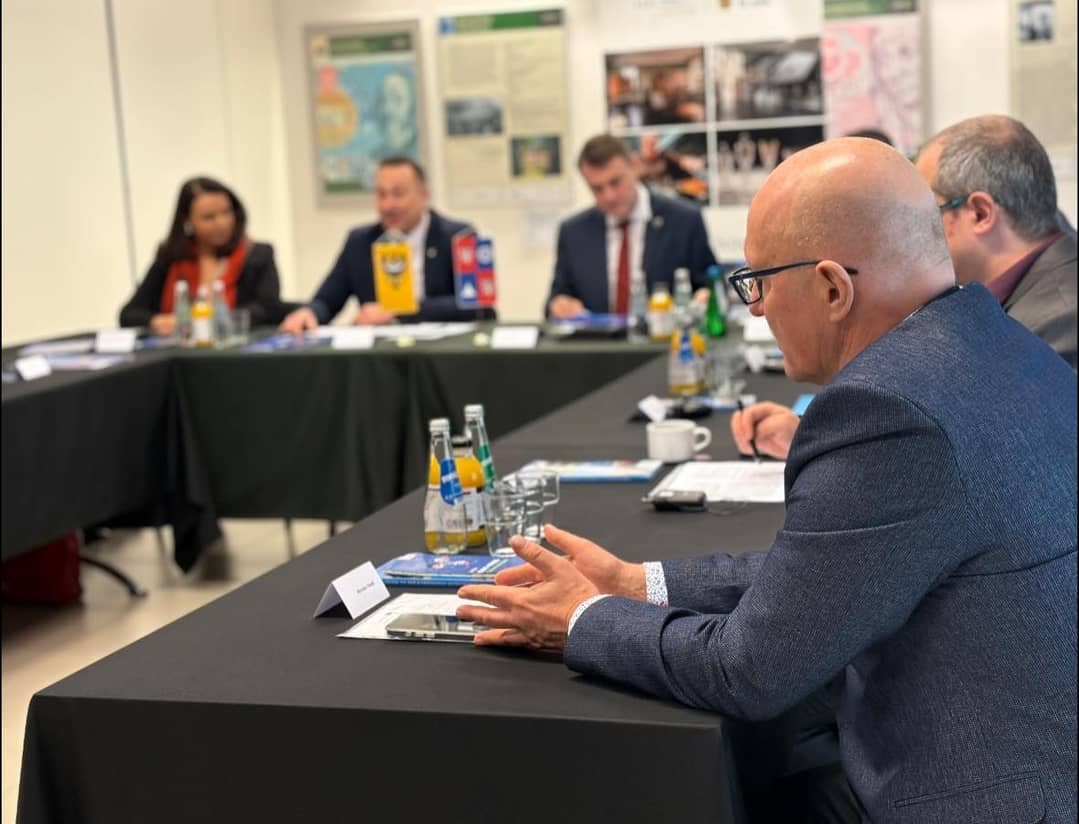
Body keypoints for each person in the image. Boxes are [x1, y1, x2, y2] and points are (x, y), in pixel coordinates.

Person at [457, 137, 1077, 823]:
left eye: (759, 282)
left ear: (832, 288)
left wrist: (578, 619)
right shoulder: (1000, 342)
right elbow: (836, 570)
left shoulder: (889, 411)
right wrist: (636, 584)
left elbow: (749, 670)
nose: (753, 309)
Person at [736, 114, 1077, 459]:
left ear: (979, 213)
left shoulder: (1061, 323)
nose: (911, 230)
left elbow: (985, 456)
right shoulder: (1029, 296)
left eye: (929, 210)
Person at [280, 157, 494, 333]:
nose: (387, 205)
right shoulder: (359, 242)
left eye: (398, 194)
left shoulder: (462, 235)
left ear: (424, 196)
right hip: (380, 360)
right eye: (381, 194)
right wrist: (309, 313)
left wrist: (398, 310)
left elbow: (479, 305)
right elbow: (327, 301)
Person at [546, 134, 717, 318]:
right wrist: (559, 306)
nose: (609, 196)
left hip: (666, 334)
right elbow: (556, 299)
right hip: (596, 335)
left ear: (634, 167)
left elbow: (710, 285)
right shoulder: (573, 232)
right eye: (597, 189)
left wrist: (706, 297)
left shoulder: (684, 220)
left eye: (615, 182)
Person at [120, 177, 285, 333]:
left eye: (226, 212)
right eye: (209, 217)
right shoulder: (171, 258)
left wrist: (210, 320)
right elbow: (129, 314)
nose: (221, 223)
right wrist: (158, 321)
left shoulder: (258, 255)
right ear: (187, 220)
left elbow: (267, 309)